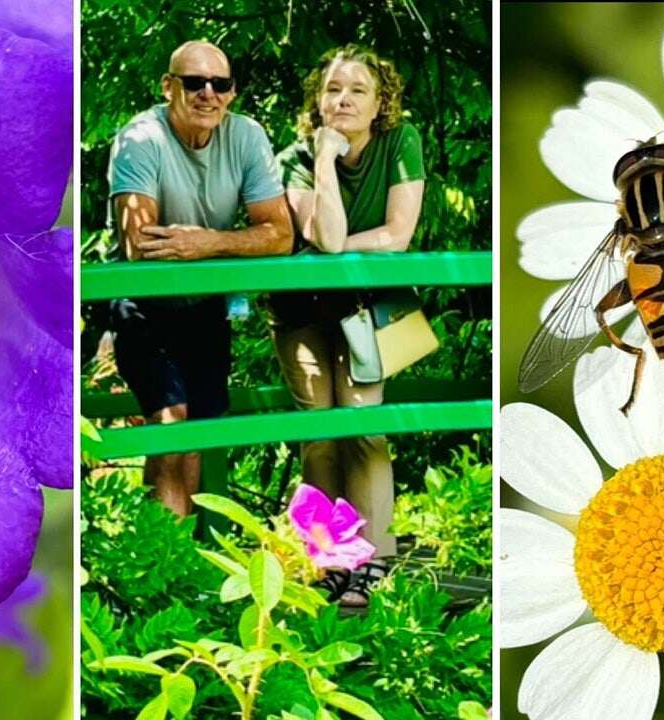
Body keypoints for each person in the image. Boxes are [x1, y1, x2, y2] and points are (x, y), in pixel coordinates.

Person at [107, 40, 293, 517]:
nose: (208, 93)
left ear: (231, 92)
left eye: (220, 83)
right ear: (169, 86)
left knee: (195, 437)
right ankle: (156, 562)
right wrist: (232, 241)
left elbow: (280, 235)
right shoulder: (140, 139)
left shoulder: (247, 137)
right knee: (172, 426)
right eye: (194, 82)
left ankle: (180, 561)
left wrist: (206, 242)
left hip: (205, 306)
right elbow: (140, 245)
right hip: (142, 303)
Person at [270, 45, 426, 605]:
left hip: (373, 305)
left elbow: (397, 235)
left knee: (365, 428)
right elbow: (328, 235)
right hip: (302, 308)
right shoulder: (295, 157)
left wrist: (334, 253)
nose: (344, 100)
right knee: (319, 433)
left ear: (380, 102)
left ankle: (372, 562)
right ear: (318, 99)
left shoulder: (401, 142)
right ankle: (326, 561)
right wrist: (324, 160)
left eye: (358, 90)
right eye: (334, 89)